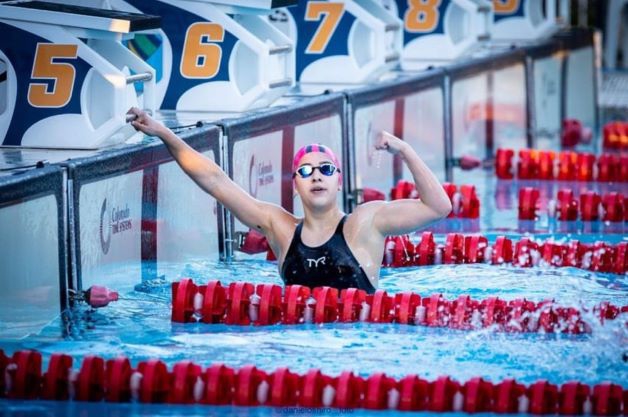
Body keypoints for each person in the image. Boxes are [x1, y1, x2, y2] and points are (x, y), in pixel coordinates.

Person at [127, 107, 452, 294]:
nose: (316, 176)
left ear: (339, 180)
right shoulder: (279, 228)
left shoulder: (365, 223)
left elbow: (439, 207)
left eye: (325, 169)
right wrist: (165, 133)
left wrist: (405, 150)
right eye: (305, 170)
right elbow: (214, 180)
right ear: (295, 185)